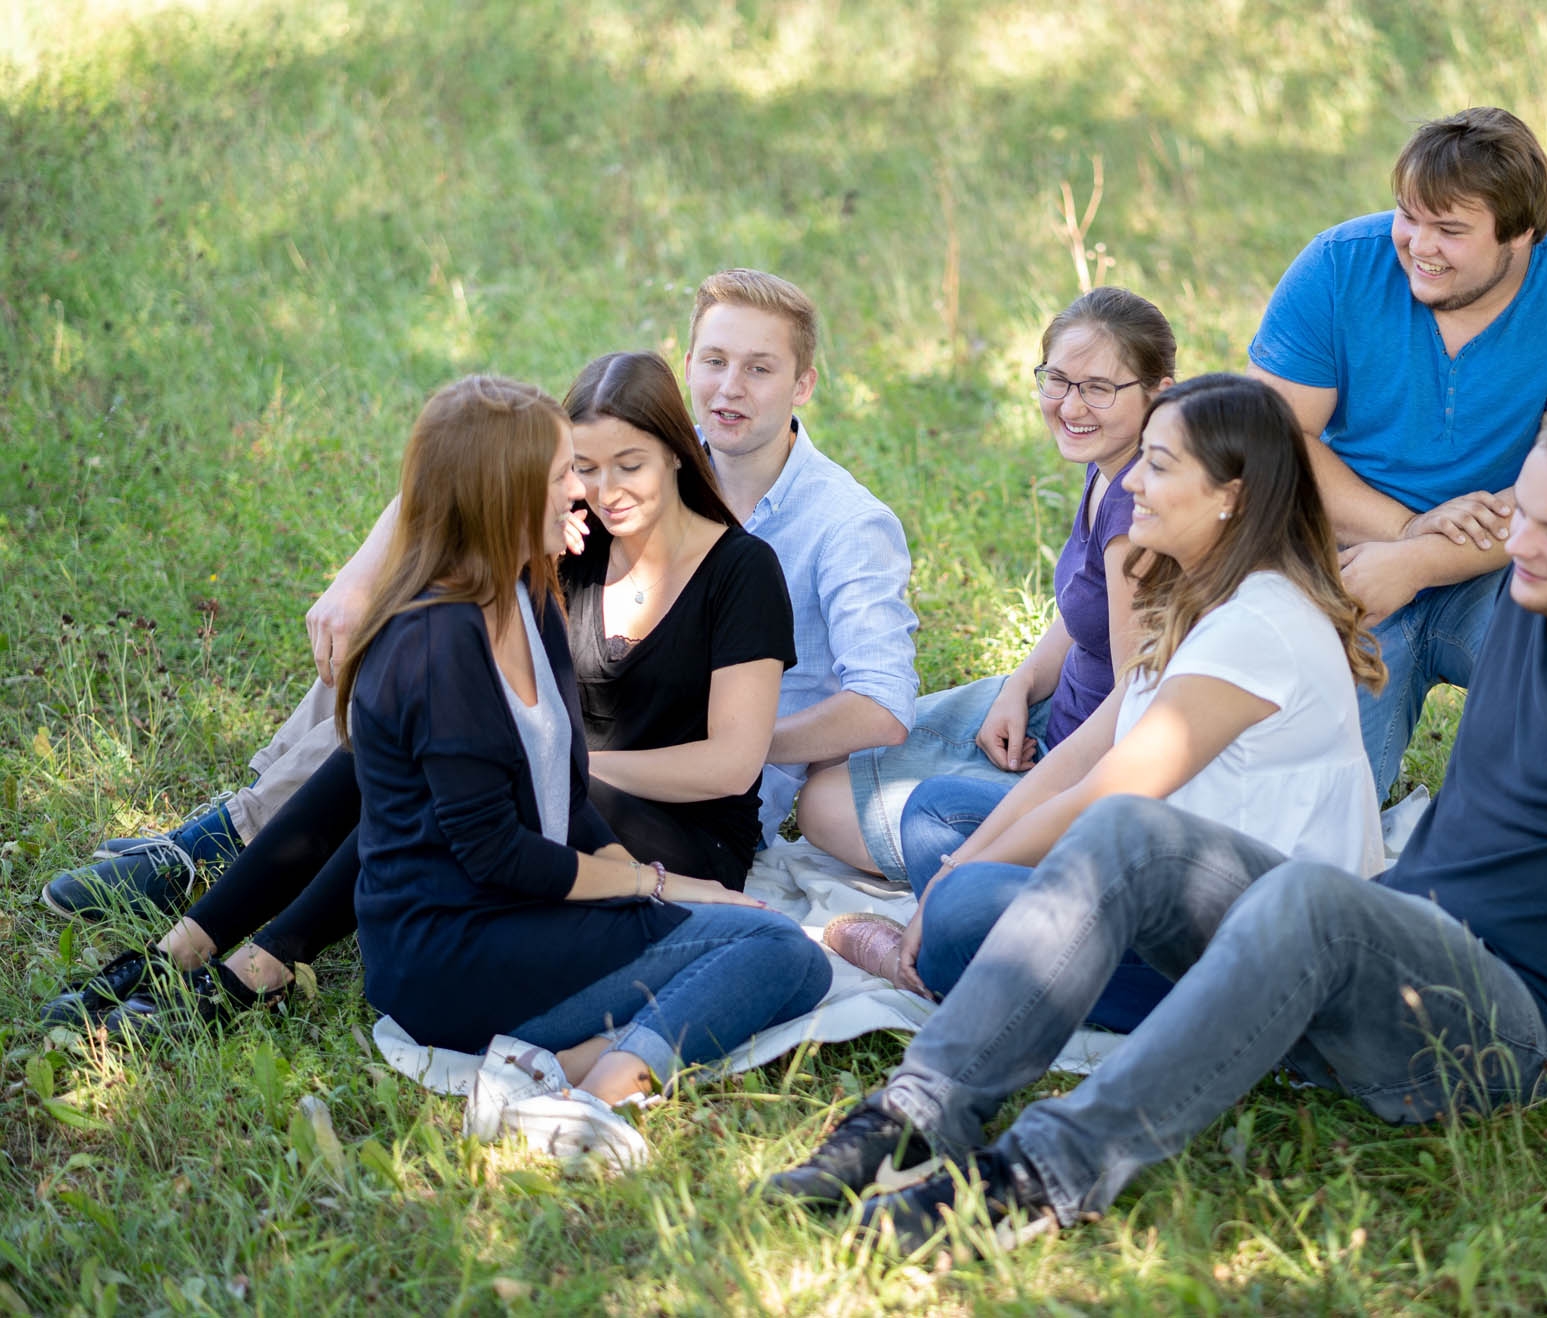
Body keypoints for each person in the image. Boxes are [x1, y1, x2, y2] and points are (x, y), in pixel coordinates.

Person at [763, 383, 1547, 1249]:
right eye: (1522, 512)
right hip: (1385, 942)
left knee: (1313, 897)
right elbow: (1325, 588)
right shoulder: (1526, 592)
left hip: (1509, 1022)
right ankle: (918, 1112)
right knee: (1125, 832)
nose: (1520, 547)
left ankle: (1042, 1175)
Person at [40, 269, 918, 913]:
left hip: (683, 785)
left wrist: (736, 728)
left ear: (803, 384)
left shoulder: (844, 524)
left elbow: (882, 705)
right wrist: (356, 582)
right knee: (410, 626)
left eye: (760, 369)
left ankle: (241, 884)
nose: (731, 389)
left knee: (453, 737)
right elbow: (475, 468)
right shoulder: (648, 438)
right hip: (583, 700)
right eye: (716, 361)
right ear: (685, 361)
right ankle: (227, 842)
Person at [41, 353, 808, 1038]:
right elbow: (455, 481)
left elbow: (730, 767)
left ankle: (265, 965)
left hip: (676, 824)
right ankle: (187, 944)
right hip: (553, 799)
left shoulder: (740, 570)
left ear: (680, 453)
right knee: (385, 761)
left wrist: (545, 769)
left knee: (459, 786)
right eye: (581, 467)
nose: (596, 492)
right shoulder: (561, 543)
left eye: (627, 466)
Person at [341, 373, 828, 1168]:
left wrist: (664, 879)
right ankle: (597, 1095)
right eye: (567, 472)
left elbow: (567, 797)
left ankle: (546, 1067)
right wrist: (653, 888)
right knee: (780, 955)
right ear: (504, 494)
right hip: (452, 948)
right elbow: (497, 853)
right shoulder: (437, 645)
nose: (584, 492)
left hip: (523, 911)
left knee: (776, 944)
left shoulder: (528, 597)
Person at [831, 374, 1386, 1038]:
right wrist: (960, 863)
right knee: (935, 814)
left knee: (964, 908)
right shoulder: (1204, 592)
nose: (1129, 484)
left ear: (1229, 499)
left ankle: (936, 959)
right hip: (1163, 875)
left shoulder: (1254, 627)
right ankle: (958, 945)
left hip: (1248, 948)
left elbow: (1104, 794)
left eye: (1157, 465)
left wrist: (954, 887)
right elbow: (1083, 754)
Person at [1247, 105, 1547, 799]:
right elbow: (1268, 440)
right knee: (1311, 811)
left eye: (1450, 229)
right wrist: (1401, 532)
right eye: (1409, 215)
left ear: (1520, 234)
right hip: (1350, 557)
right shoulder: (1338, 266)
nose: (1417, 245)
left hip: (1510, 562)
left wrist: (1420, 560)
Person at [797, 287, 1174, 883]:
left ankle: (990, 870)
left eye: (1099, 388)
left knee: (824, 805)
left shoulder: (1136, 512)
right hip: (1050, 709)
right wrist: (1019, 685)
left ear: (1160, 394)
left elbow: (1135, 706)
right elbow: (1089, 612)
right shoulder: (1109, 465)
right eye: (1057, 380)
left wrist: (1029, 812)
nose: (1072, 406)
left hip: (1076, 759)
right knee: (831, 749)